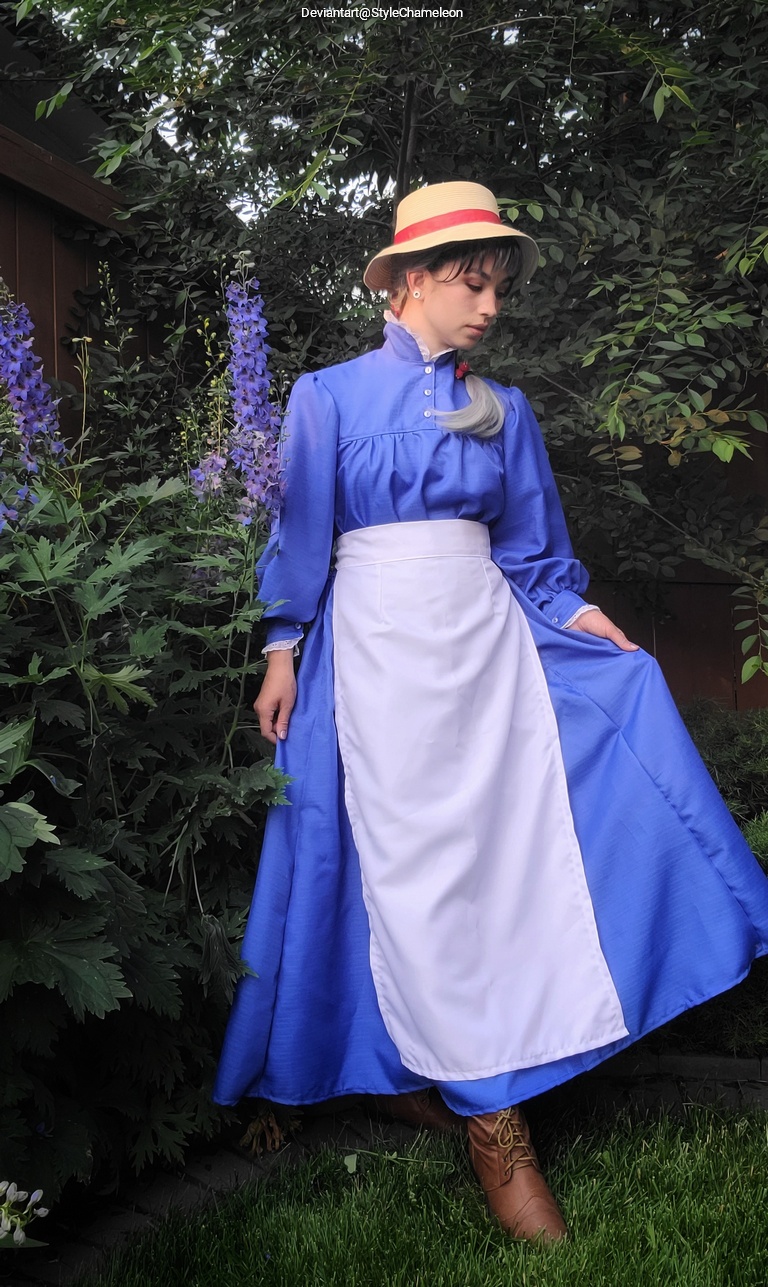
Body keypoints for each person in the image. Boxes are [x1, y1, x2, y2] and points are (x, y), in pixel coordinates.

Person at [213, 181, 768, 1242]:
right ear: (411, 279)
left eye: (497, 289)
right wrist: (282, 647)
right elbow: (300, 541)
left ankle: (481, 1082)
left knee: (500, 863)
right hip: (377, 664)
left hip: (489, 657)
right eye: (472, 283)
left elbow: (534, 553)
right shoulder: (327, 397)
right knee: (409, 870)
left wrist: (587, 614)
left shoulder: (504, 410)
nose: (489, 307)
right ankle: (485, 1114)